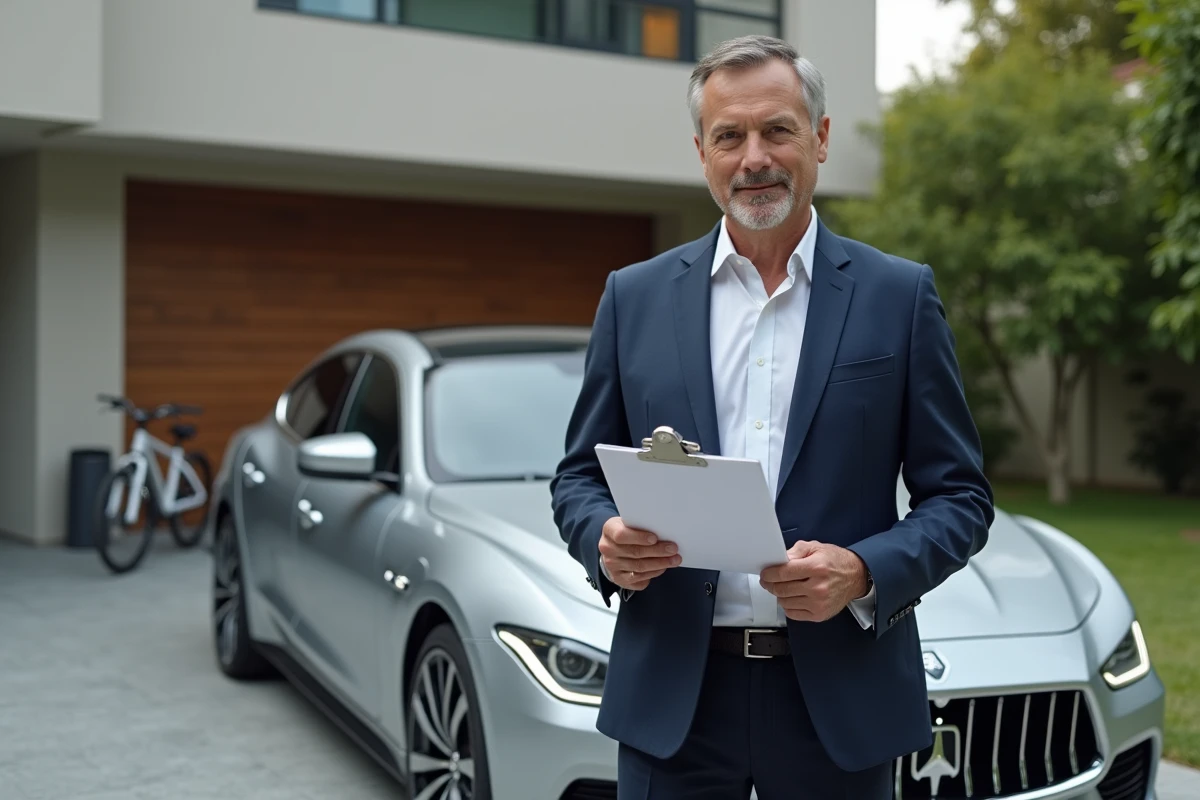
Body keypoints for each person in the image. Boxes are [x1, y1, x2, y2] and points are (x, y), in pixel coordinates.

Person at [549, 34, 995, 800]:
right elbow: (580, 477)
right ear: (703, 153)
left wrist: (863, 571)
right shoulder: (634, 297)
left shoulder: (898, 296)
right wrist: (603, 539)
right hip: (674, 703)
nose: (753, 157)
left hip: (841, 703)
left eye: (777, 130)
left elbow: (960, 498)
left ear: (819, 138)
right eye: (730, 136)